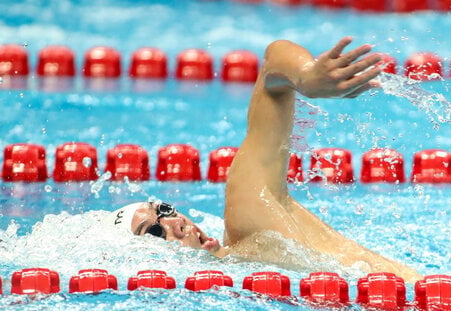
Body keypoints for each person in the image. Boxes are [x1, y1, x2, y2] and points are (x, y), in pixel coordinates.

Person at [105, 37, 421, 282]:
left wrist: (308, 77)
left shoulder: (249, 226)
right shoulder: (241, 272)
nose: (175, 222)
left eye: (164, 210)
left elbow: (273, 64)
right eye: (154, 231)